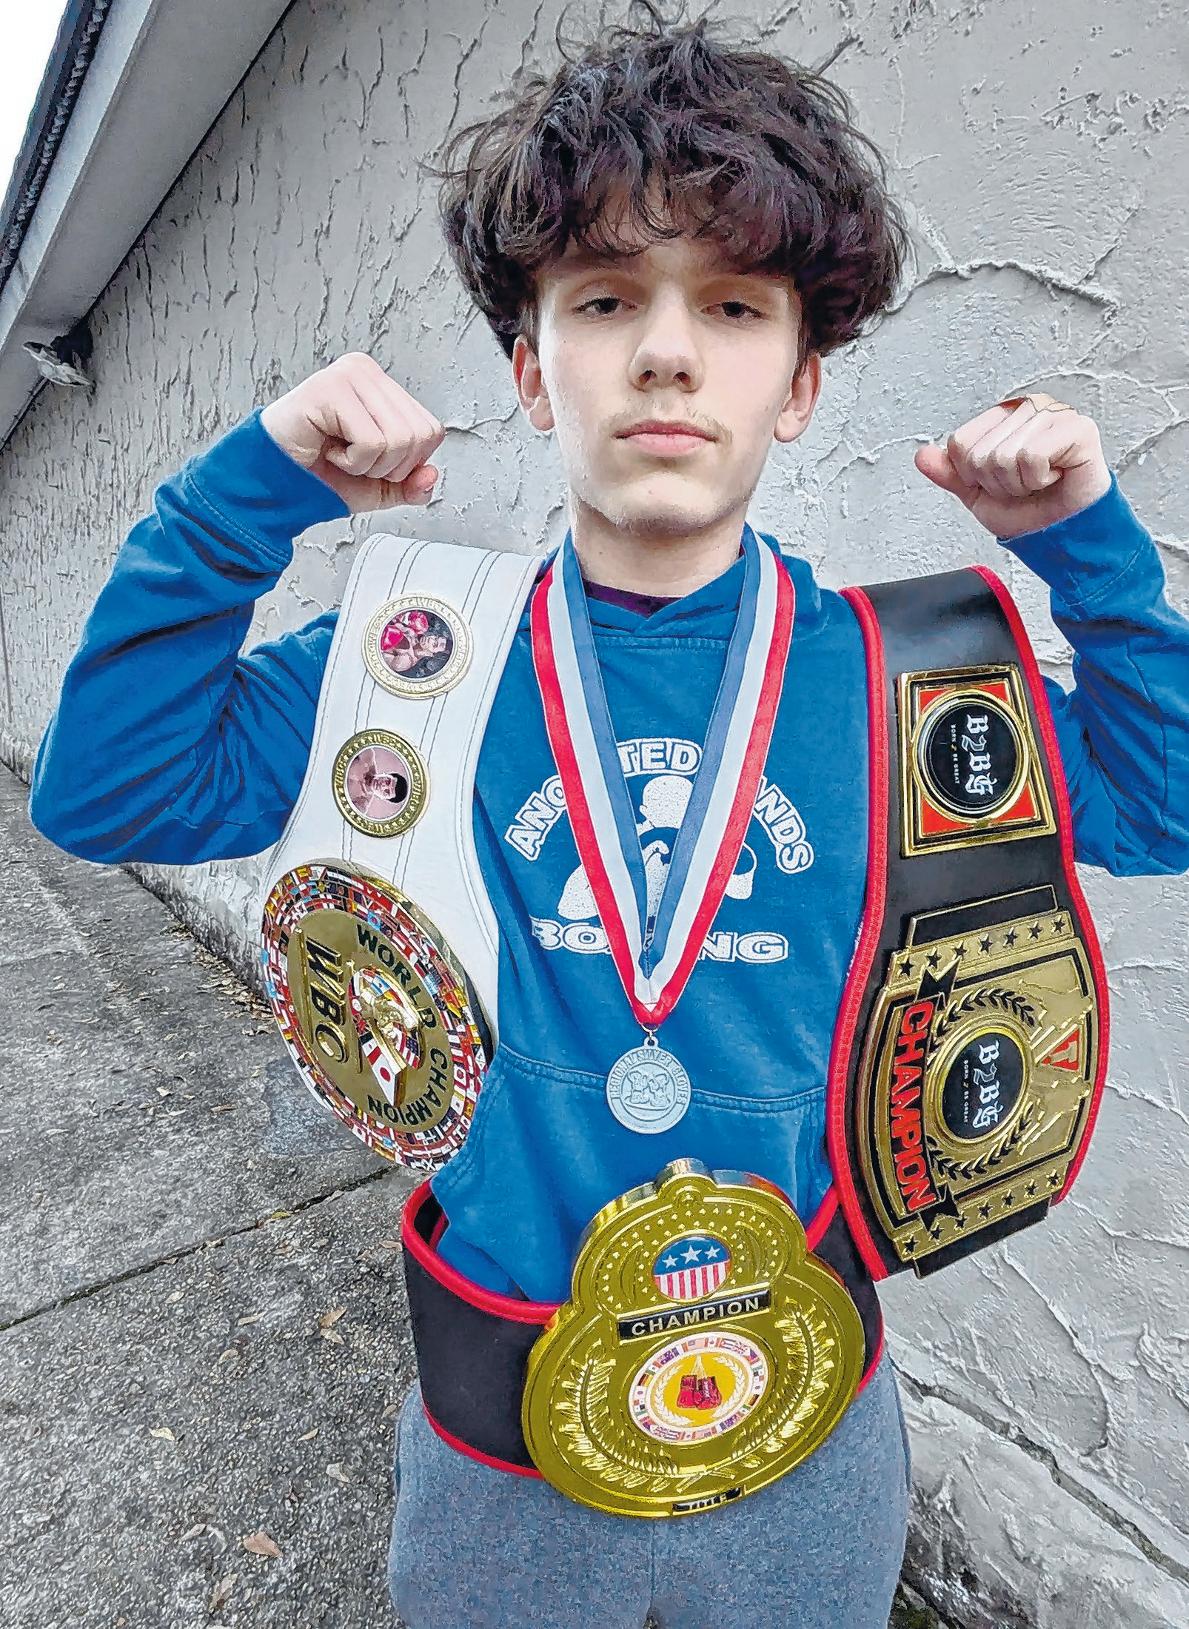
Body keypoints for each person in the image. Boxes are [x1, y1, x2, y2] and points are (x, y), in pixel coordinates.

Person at [26, 3, 1189, 1626]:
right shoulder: (410, 660)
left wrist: (1089, 552)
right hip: (500, 1456)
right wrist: (244, 499)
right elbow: (105, 788)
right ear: (529, 368)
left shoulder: (905, 681)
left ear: (798, 384)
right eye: (601, 299)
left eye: (734, 305)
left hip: (806, 1442)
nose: (664, 351)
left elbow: (1158, 798)